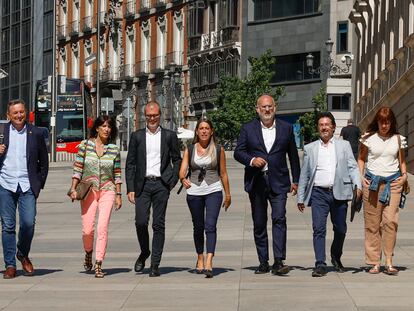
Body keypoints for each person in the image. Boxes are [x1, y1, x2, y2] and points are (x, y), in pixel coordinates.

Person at [234, 95, 300, 275]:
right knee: (259, 222)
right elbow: (238, 152)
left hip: (279, 182)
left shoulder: (286, 128)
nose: (267, 110)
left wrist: (296, 180)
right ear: (257, 109)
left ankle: (279, 260)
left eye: (270, 106)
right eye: (263, 107)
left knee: (279, 218)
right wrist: (252, 159)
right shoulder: (248, 128)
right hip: (257, 182)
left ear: (275, 108)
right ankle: (263, 261)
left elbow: (293, 155)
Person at [297, 112, 362, 277]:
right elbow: (304, 174)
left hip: (339, 192)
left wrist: (358, 186)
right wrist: (301, 197)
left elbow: (353, 167)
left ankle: (335, 256)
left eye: (327, 125)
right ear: (318, 128)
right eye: (321, 125)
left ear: (333, 127)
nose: (324, 127)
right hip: (319, 193)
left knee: (340, 228)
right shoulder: (310, 148)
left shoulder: (344, 145)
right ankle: (320, 263)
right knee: (318, 229)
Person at [126, 101, 182, 277]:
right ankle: (145, 252)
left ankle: (155, 264)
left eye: (155, 115)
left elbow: (177, 159)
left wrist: (171, 182)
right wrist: (130, 188)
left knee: (158, 224)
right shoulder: (137, 136)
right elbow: (130, 164)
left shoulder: (169, 136)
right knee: (141, 222)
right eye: (149, 115)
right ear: (145, 116)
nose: (152, 118)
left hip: (161, 185)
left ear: (160, 115)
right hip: (141, 185)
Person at [0, 99, 49, 279]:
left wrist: (39, 184)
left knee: (29, 223)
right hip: (5, 184)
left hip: (28, 185)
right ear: (8, 116)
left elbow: (44, 162)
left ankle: (22, 253)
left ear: (26, 112)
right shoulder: (1, 132)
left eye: (21, 112)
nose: (19, 115)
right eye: (15, 113)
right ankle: (10, 265)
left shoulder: (35, 133)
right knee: (8, 226)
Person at [68, 115, 122, 278]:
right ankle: (88, 252)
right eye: (104, 126)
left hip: (108, 189)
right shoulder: (85, 145)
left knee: (102, 227)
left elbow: (117, 173)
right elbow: (78, 168)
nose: (107, 129)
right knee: (87, 229)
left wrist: (118, 194)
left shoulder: (114, 149)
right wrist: (73, 188)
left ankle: (99, 263)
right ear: (97, 128)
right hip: (88, 190)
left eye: (109, 126)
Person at [178, 118, 231, 278]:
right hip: (194, 192)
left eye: (207, 128)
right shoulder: (190, 149)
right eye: (201, 128)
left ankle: (209, 259)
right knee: (198, 227)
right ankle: (200, 256)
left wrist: (227, 194)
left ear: (212, 131)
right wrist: (183, 178)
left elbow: (223, 173)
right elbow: (182, 170)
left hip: (213, 190)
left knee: (211, 226)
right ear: (197, 131)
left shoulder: (219, 149)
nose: (204, 131)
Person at [358, 107, 407, 275]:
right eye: (381, 122)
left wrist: (405, 176)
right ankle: (374, 262)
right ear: (377, 122)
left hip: (393, 183)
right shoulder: (368, 138)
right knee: (372, 224)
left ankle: (389, 261)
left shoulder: (398, 139)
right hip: (372, 184)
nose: (384, 125)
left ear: (391, 122)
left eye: (387, 122)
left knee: (390, 222)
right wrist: (361, 176)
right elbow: (361, 159)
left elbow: (401, 161)